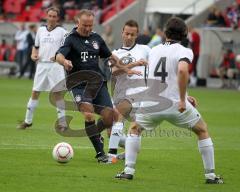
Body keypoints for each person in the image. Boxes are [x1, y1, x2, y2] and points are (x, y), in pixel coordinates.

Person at [115, 17, 224, 184]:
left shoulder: (154, 50)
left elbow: (159, 76)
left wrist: (184, 96)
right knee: (202, 130)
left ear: (165, 33)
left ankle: (128, 171)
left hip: (152, 103)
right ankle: (210, 175)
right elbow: (181, 71)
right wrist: (182, 99)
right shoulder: (184, 51)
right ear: (184, 34)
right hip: (174, 104)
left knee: (134, 129)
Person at [55, 9, 140, 163]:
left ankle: (94, 134)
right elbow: (59, 55)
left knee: (110, 118)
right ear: (77, 22)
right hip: (78, 84)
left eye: (90, 25)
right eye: (84, 25)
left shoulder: (96, 38)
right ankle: (100, 153)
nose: (88, 28)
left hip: (98, 83)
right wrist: (65, 62)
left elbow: (109, 56)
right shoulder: (70, 39)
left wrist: (125, 67)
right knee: (88, 114)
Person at [17, 7, 68, 129]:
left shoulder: (62, 31)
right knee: (35, 92)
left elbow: (67, 48)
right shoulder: (40, 30)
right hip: (41, 65)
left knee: (57, 94)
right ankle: (28, 121)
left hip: (56, 66)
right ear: (46, 16)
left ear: (58, 18)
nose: (51, 18)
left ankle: (62, 123)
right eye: (49, 16)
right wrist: (33, 54)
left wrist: (60, 57)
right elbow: (36, 46)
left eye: (54, 16)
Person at [107, 20, 150, 162]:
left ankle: (111, 155)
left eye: (132, 34)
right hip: (120, 93)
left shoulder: (145, 50)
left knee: (119, 115)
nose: (129, 37)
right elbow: (113, 72)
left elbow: (157, 65)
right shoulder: (115, 53)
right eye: (127, 33)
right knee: (111, 131)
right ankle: (131, 149)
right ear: (122, 33)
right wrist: (134, 64)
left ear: (137, 35)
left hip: (138, 92)